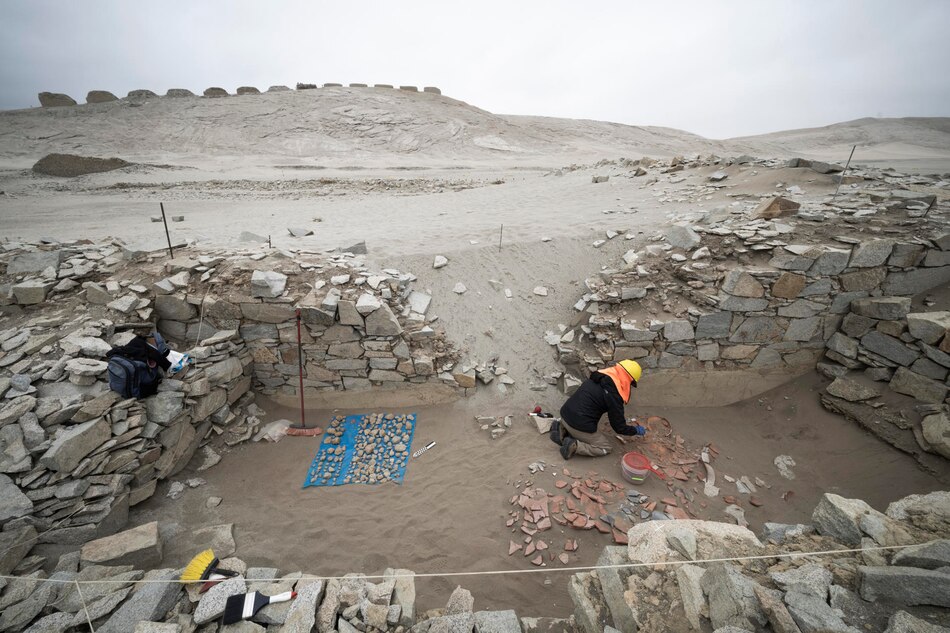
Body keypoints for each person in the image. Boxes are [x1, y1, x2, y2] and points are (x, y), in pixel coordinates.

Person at [550, 360, 645, 459]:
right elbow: (619, 427)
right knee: (605, 447)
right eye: (631, 383)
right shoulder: (614, 395)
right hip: (577, 425)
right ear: (628, 380)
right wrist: (635, 430)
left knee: (581, 417)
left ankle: (561, 429)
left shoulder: (599, 377)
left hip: (565, 414)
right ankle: (574, 446)